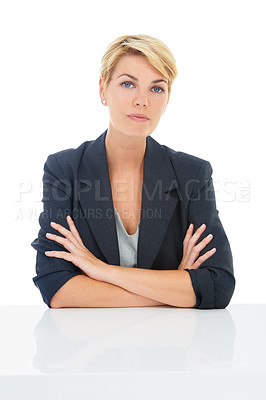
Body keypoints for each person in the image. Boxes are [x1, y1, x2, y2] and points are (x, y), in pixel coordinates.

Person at [31, 34, 235, 309]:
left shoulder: (192, 174)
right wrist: (174, 286)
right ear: (103, 90)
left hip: (171, 344)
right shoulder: (64, 170)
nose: (142, 100)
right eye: (128, 84)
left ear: (167, 99)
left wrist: (101, 271)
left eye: (156, 88)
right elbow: (56, 287)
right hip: (89, 344)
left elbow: (217, 286)